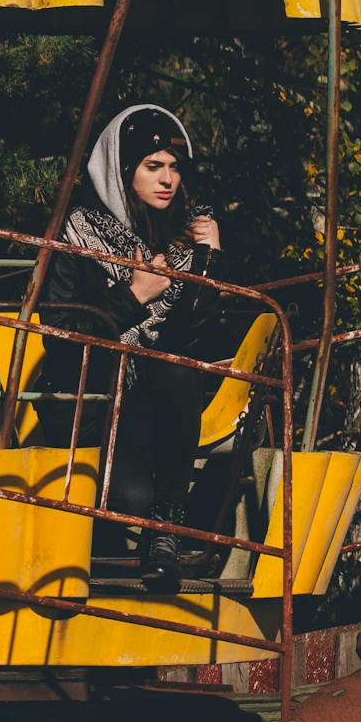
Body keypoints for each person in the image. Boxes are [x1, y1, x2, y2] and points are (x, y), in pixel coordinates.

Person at [40, 103, 228, 591]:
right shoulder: (79, 231)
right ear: (122, 172)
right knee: (131, 497)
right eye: (152, 166)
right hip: (90, 401)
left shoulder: (182, 241)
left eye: (173, 167)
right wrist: (133, 296)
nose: (167, 179)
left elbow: (193, 335)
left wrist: (208, 260)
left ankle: (165, 536)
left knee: (176, 369)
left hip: (154, 403)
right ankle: (151, 525)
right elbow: (60, 333)